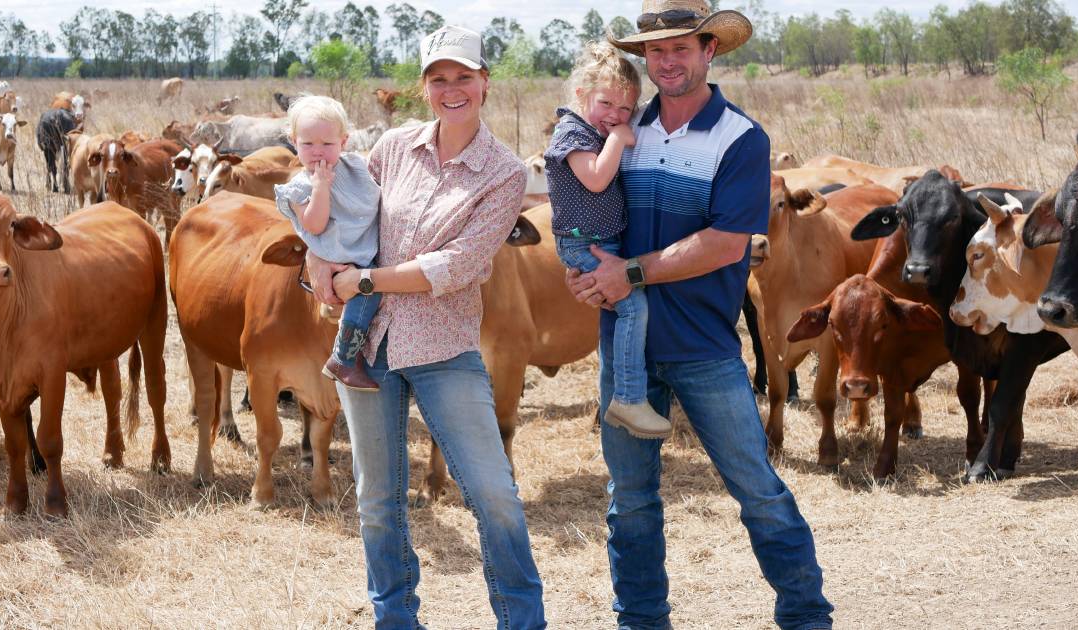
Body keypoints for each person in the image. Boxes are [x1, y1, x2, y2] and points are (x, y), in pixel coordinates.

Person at [568, 2, 835, 629]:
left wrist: (628, 272)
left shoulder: (739, 139)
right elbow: (585, 205)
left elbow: (725, 243)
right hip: (626, 351)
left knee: (758, 491)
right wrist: (583, 271)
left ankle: (805, 617)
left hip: (704, 347)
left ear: (709, 50)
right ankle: (640, 620)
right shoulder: (621, 132)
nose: (667, 60)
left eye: (681, 48)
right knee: (629, 502)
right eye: (656, 51)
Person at [307, 25, 546, 630]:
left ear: (485, 83)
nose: (452, 89)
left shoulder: (504, 173)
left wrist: (364, 282)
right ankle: (396, 618)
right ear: (424, 87)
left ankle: (522, 620)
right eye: (439, 79)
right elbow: (348, 218)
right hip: (365, 348)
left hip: (444, 349)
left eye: (464, 76)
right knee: (378, 502)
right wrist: (320, 263)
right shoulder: (391, 148)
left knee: (493, 494)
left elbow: (457, 266)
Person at [544, 42, 672, 440]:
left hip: (600, 242)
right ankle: (629, 398)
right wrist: (620, 137)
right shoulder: (571, 134)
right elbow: (596, 179)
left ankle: (621, 397)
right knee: (633, 309)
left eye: (626, 109)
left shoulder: (591, 131)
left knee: (623, 314)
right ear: (581, 95)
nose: (616, 116)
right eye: (606, 104)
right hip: (586, 244)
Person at [274, 95, 382, 391]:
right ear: (293, 141)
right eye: (308, 144)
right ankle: (344, 359)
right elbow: (314, 224)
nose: (318, 152)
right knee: (367, 292)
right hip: (339, 256)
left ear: (344, 142)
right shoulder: (299, 187)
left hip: (363, 246)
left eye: (327, 144)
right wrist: (321, 188)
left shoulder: (355, 168)